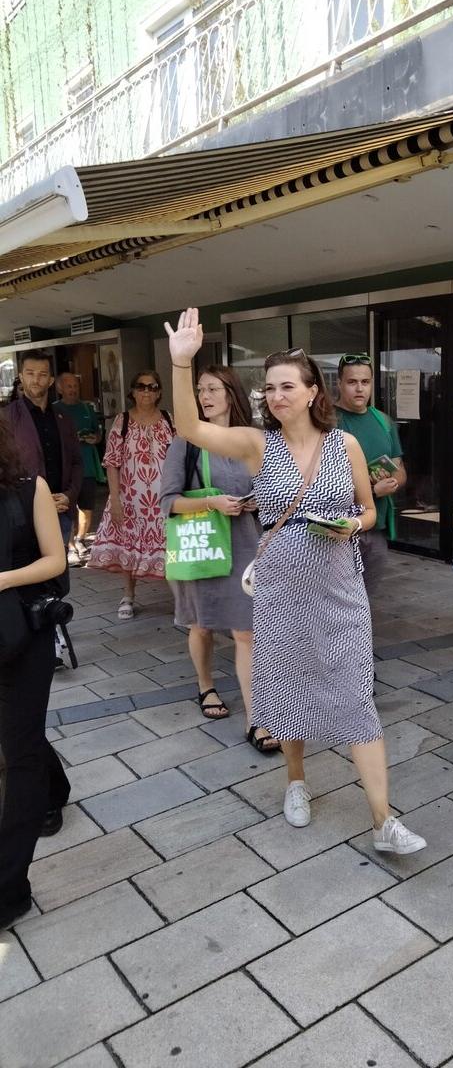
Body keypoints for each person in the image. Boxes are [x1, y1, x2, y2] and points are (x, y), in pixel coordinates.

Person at [166, 308, 426, 855]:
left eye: (287, 386)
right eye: (269, 389)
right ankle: (296, 781)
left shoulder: (345, 446)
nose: (276, 396)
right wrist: (181, 363)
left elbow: (369, 512)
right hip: (282, 587)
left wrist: (352, 523)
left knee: (357, 697)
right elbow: (191, 428)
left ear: (312, 392)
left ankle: (384, 821)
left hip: (339, 589)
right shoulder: (261, 445)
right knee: (287, 693)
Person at [160, 365, 278, 750]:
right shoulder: (186, 442)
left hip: (246, 545)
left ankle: (256, 719)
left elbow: (275, 489)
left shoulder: (254, 439)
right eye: (200, 389)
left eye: (212, 388)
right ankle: (205, 685)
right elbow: (167, 503)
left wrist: (261, 501)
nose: (205, 396)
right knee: (202, 625)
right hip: (205, 545)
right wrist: (211, 502)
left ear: (231, 393)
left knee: (247, 632)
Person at [0, 417, 70, 930]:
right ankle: (57, 786)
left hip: (24, 634)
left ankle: (10, 889)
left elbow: (55, 562)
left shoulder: (30, 489)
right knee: (21, 735)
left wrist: (2, 578)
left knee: (19, 750)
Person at [87, 370, 174, 619]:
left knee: (170, 545)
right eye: (141, 386)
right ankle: (128, 594)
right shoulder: (121, 421)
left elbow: (181, 457)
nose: (146, 391)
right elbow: (112, 462)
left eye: (152, 386)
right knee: (129, 546)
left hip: (163, 497)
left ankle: (180, 597)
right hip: (131, 498)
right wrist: (115, 500)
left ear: (158, 392)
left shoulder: (169, 419)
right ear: (132, 391)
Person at [335, 353, 405, 593]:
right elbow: (318, 481)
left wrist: (393, 481)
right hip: (339, 529)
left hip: (375, 529)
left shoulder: (383, 421)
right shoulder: (328, 422)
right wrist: (372, 490)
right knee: (337, 599)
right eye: (352, 382)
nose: (359, 388)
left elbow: (400, 468)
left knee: (365, 599)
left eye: (365, 382)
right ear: (339, 384)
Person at [1, 351, 82, 545]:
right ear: (21, 377)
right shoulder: (6, 418)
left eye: (42, 374)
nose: (36, 379)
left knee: (60, 572)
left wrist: (69, 495)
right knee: (29, 572)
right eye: (30, 373)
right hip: (23, 514)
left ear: (51, 380)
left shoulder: (64, 419)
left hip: (60, 510)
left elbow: (77, 462)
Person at [55, 372, 104, 566]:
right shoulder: (54, 410)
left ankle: (80, 539)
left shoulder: (87, 408)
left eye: (75, 385)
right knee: (66, 508)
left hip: (87, 466)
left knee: (87, 507)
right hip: (64, 468)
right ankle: (71, 547)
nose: (73, 389)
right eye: (68, 386)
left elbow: (98, 433)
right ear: (59, 388)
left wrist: (95, 438)